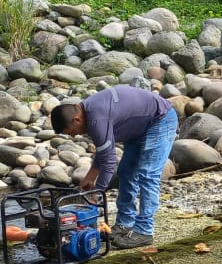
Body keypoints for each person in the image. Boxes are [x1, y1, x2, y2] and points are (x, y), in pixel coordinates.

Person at [49, 84, 179, 249]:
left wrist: (97, 193)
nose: (73, 135)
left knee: (148, 174)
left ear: (76, 120)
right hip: (139, 128)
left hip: (160, 120)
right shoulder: (89, 112)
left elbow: (109, 161)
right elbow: (104, 150)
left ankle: (145, 231)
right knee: (126, 172)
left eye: (70, 131)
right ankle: (125, 223)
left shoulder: (96, 118)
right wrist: (90, 177)